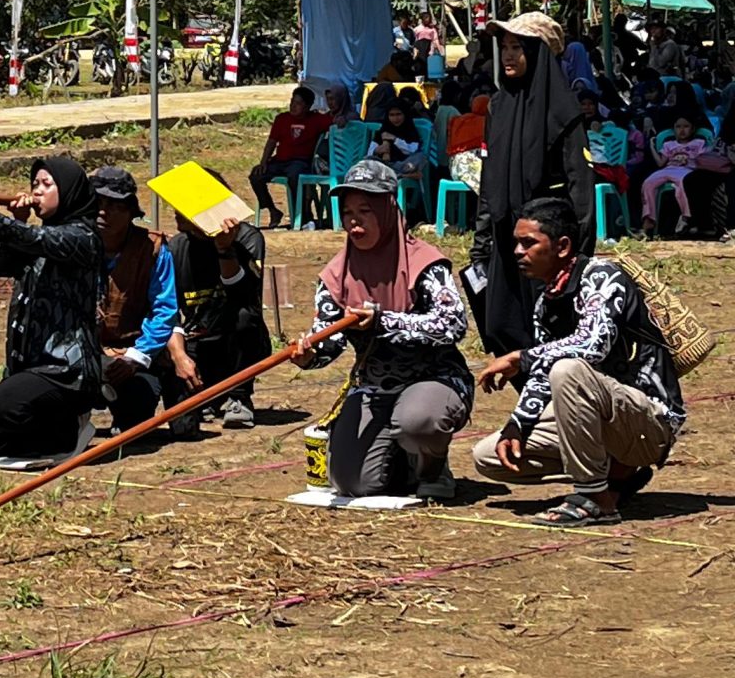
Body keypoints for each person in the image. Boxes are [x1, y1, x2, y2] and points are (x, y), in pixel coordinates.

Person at [471, 193, 685, 525]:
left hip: (650, 420)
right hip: (601, 417)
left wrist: (521, 356)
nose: (517, 252)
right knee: (489, 456)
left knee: (567, 370)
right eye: (516, 243)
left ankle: (595, 497)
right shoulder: (546, 301)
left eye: (528, 243)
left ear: (563, 246)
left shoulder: (602, 276)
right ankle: (617, 476)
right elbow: (542, 373)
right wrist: (518, 424)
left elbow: (592, 344)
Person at [304, 159, 473, 501]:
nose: (354, 219)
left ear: (387, 209)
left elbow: (453, 324)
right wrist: (309, 353)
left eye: (365, 210)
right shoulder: (336, 275)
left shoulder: (424, 263)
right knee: (351, 483)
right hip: (372, 387)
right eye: (348, 210)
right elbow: (329, 336)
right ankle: (401, 457)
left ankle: (432, 466)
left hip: (433, 379)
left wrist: (384, 321)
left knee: (418, 421)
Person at [0, 156, 104, 460]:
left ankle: (68, 428)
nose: (37, 191)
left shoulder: (83, 237)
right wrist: (17, 221)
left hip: (66, 370)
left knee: (1, 406)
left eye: (46, 184)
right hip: (29, 365)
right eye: (34, 184)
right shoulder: (36, 238)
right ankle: (48, 435)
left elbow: (37, 240)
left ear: (67, 191)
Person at [469, 12, 595, 356]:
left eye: (517, 47)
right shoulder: (498, 106)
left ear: (538, 53)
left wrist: (577, 258)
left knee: (549, 332)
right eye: (504, 47)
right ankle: (534, 396)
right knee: (500, 327)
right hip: (505, 237)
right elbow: (490, 177)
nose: (508, 55)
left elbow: (580, 187)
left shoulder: (562, 110)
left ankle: (553, 403)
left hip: (548, 246)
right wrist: (482, 242)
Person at [85, 166, 180, 437]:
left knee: (135, 417)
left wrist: (136, 357)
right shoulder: (73, 242)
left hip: (131, 352)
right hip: (82, 352)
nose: (103, 212)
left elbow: (164, 310)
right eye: (98, 203)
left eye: (114, 205)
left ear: (130, 212)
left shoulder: (153, 250)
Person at [166, 203, 270, 431]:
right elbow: (167, 309)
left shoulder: (247, 238)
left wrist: (224, 249)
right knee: (183, 425)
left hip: (235, 337)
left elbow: (244, 295)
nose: (175, 210)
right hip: (197, 339)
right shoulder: (176, 247)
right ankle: (208, 396)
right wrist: (179, 355)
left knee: (244, 318)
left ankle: (239, 396)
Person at [248, 86, 330, 226]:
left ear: (307, 106)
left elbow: (337, 119)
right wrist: (263, 162)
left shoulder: (316, 119)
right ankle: (272, 209)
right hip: (279, 161)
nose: (293, 106)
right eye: (292, 101)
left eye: (298, 103)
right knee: (256, 176)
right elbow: (271, 142)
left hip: (300, 161)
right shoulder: (282, 119)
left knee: (295, 176)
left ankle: (301, 213)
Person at [639, 110, 729, 235]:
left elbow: (703, 161)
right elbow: (660, 163)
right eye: (678, 127)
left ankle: (687, 218)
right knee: (648, 183)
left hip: (688, 170)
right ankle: (649, 219)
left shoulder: (699, 143)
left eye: (686, 126)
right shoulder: (668, 144)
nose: (682, 130)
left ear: (693, 129)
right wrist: (652, 147)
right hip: (668, 169)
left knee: (684, 184)